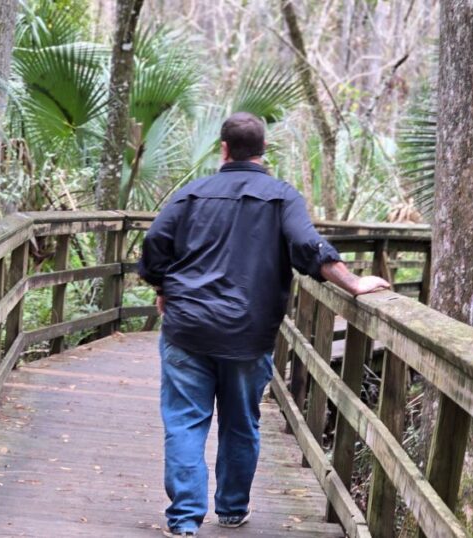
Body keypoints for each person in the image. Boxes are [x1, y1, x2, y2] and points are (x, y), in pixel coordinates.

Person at [139, 112, 390, 537]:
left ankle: (184, 522)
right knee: (240, 422)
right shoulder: (281, 197)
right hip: (247, 333)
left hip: (188, 327)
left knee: (185, 421)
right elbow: (308, 245)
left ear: (223, 149)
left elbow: (155, 244)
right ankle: (232, 510)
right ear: (263, 151)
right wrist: (354, 282)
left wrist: (164, 286)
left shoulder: (191, 194)